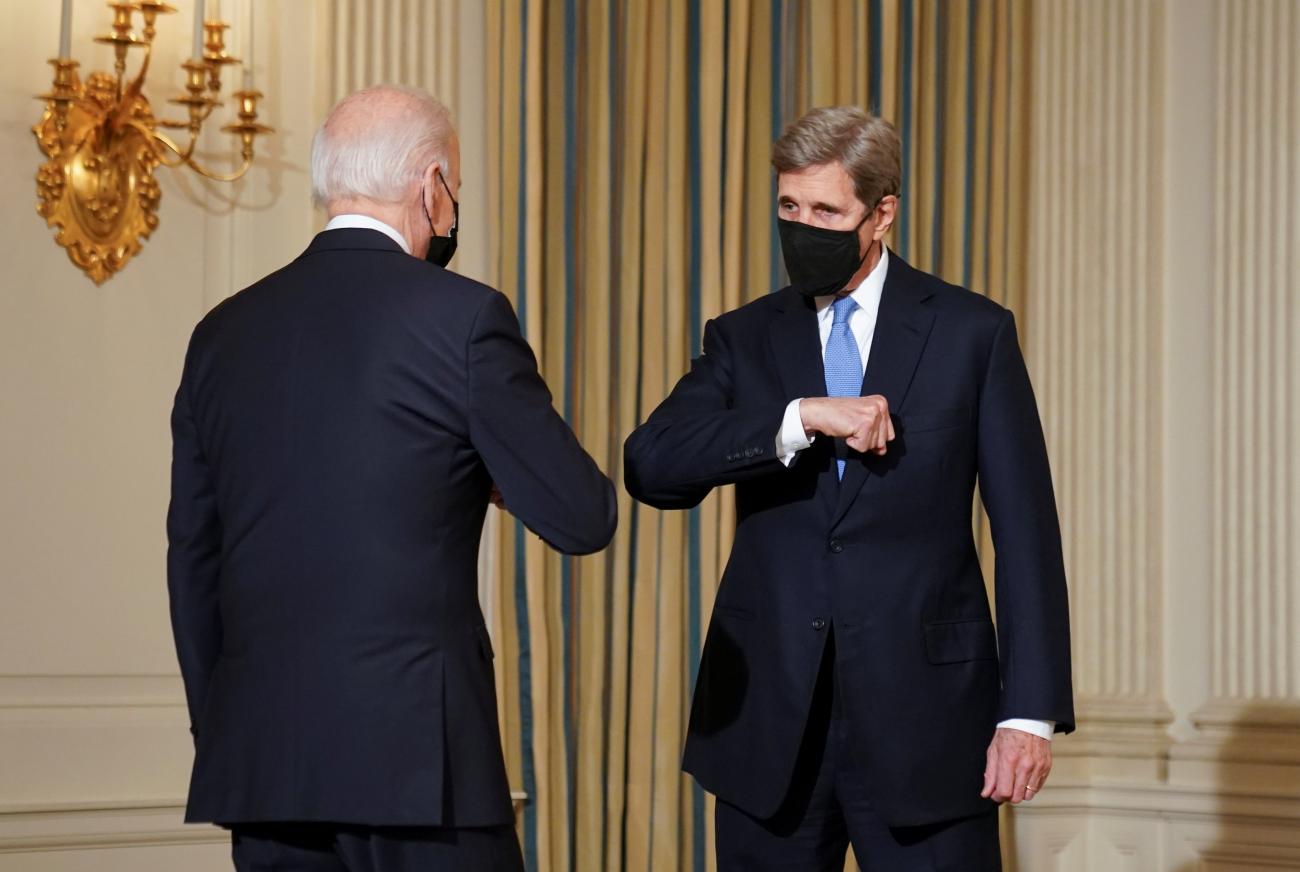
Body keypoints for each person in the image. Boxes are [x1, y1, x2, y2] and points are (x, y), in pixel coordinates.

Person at [167, 84, 616, 872]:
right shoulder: (465, 318)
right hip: (421, 768)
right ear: (431, 183)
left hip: (266, 764)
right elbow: (582, 516)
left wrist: (229, 727)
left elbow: (192, 559)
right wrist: (487, 466)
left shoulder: (220, 334)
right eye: (455, 192)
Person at [624, 106, 1074, 871]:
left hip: (929, 728)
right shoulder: (742, 336)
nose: (803, 228)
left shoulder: (972, 333)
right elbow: (652, 464)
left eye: (826, 211)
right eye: (788, 209)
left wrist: (1028, 714)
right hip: (769, 730)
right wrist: (799, 417)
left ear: (882, 214)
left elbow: (1027, 533)